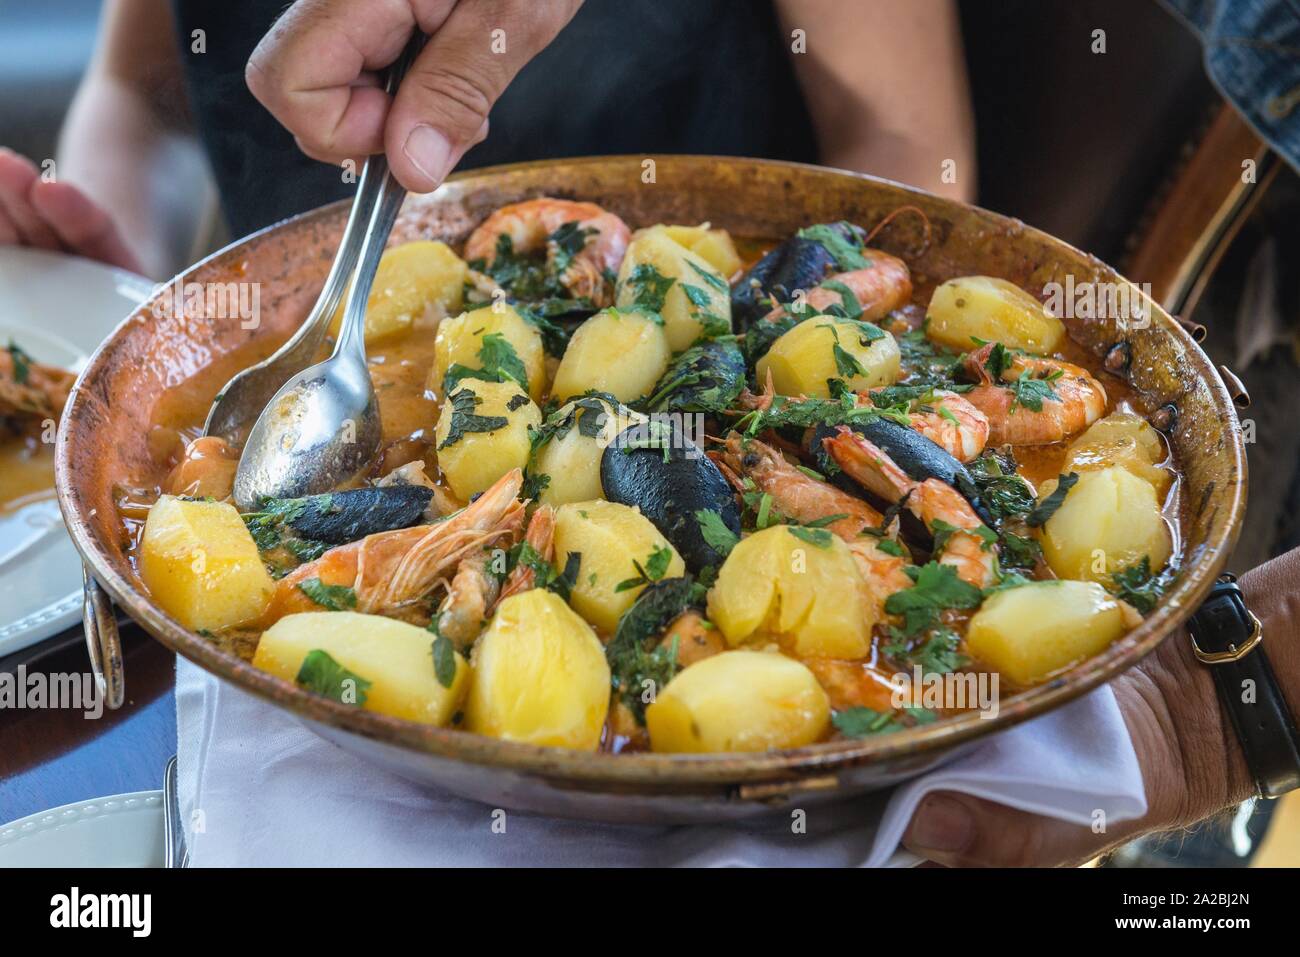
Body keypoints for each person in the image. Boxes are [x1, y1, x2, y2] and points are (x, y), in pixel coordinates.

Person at [3, 0, 1297, 866]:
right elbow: (148, 98)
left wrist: (1202, 713)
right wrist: (103, 282)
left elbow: (909, 187)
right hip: (298, 442)